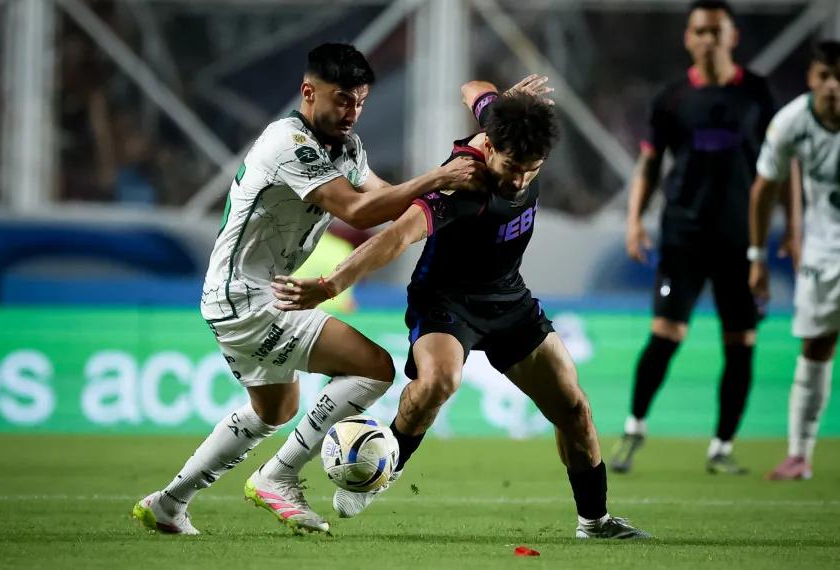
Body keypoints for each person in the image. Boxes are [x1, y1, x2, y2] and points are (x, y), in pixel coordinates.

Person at [132, 43, 486, 535]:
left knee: (274, 409)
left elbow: (381, 196)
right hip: (251, 298)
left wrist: (441, 193)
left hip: (244, 296)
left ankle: (171, 502)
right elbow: (359, 212)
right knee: (375, 368)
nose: (351, 112)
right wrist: (439, 176)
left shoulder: (347, 147)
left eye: (359, 102)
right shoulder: (289, 144)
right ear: (308, 92)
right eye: (342, 100)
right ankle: (278, 476)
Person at [272, 82, 651, 539]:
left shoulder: (507, 133)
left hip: (508, 298)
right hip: (445, 300)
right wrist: (332, 283)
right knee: (438, 380)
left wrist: (503, 99)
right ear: (488, 146)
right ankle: (382, 467)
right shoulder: (461, 183)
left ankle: (595, 521)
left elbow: (473, 89)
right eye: (511, 167)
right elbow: (395, 238)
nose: (518, 181)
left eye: (531, 171)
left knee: (573, 408)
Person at [609, 0, 776, 475]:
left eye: (715, 31)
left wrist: (791, 230)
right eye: (699, 31)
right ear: (688, 38)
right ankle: (634, 429)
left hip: (743, 238)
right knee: (665, 335)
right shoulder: (673, 97)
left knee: (741, 342)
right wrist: (634, 219)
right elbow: (650, 163)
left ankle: (721, 447)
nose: (707, 39)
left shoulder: (758, 93)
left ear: (732, 36)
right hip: (684, 235)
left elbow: (784, 167)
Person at [749, 40, 840, 481]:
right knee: (816, 346)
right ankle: (799, 454)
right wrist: (757, 256)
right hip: (823, 253)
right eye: (825, 76)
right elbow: (765, 188)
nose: (833, 87)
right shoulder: (791, 122)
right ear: (811, 78)